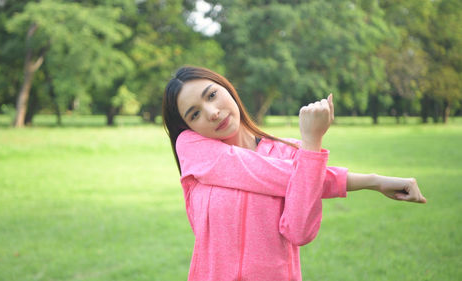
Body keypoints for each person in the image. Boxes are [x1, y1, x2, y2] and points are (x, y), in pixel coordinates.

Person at [162, 66, 427, 281]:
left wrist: (311, 144)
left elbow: (300, 232)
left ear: (227, 89)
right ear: (187, 126)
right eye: (194, 114)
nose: (212, 112)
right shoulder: (192, 149)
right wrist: (359, 179)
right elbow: (266, 173)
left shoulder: (290, 153)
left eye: (211, 95)